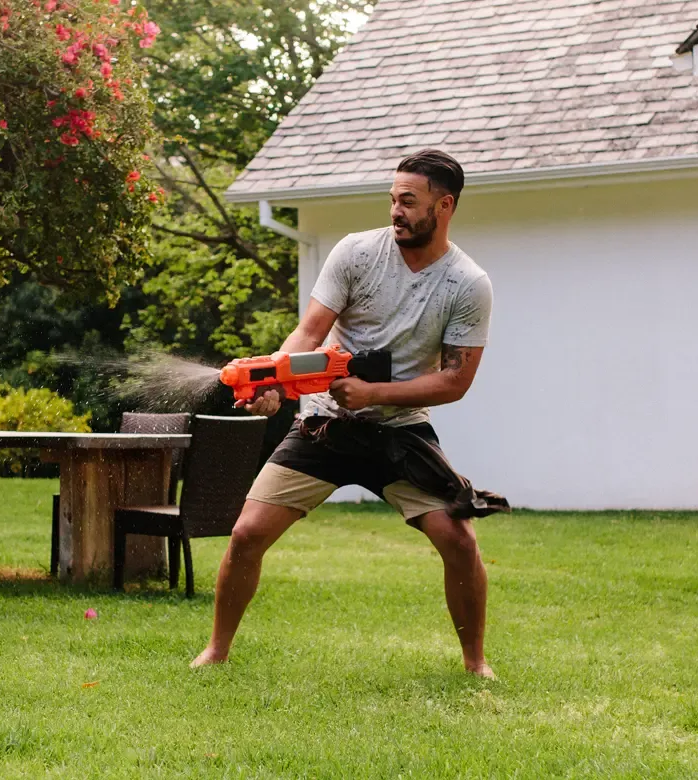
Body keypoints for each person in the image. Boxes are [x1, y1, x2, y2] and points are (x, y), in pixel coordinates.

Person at [194, 149, 499, 677]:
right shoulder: (357, 253)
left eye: (409, 201)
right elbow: (308, 334)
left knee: (459, 538)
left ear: (444, 206)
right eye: (392, 199)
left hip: (400, 433)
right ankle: (217, 650)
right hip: (323, 425)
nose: (396, 211)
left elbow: (455, 381)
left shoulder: (467, 283)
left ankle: (475, 664)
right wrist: (275, 382)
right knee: (246, 534)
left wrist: (376, 394)